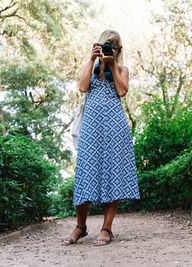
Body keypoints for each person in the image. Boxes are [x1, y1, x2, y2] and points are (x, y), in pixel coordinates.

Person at [63, 29, 140, 246]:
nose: (109, 49)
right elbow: (82, 87)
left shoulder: (122, 69)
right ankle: (80, 226)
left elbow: (123, 91)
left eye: (113, 46)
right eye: (106, 44)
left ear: (118, 50)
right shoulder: (92, 67)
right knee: (85, 172)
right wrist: (91, 58)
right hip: (91, 127)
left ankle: (106, 228)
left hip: (115, 128)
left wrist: (113, 64)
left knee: (113, 172)